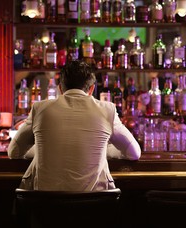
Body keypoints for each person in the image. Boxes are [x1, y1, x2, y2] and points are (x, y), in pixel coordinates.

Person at [8, 60, 141, 191]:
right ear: (92, 89)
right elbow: (134, 153)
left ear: (60, 88)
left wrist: (41, 151)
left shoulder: (40, 109)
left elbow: (14, 152)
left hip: (47, 207)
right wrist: (106, 151)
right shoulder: (107, 110)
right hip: (95, 206)